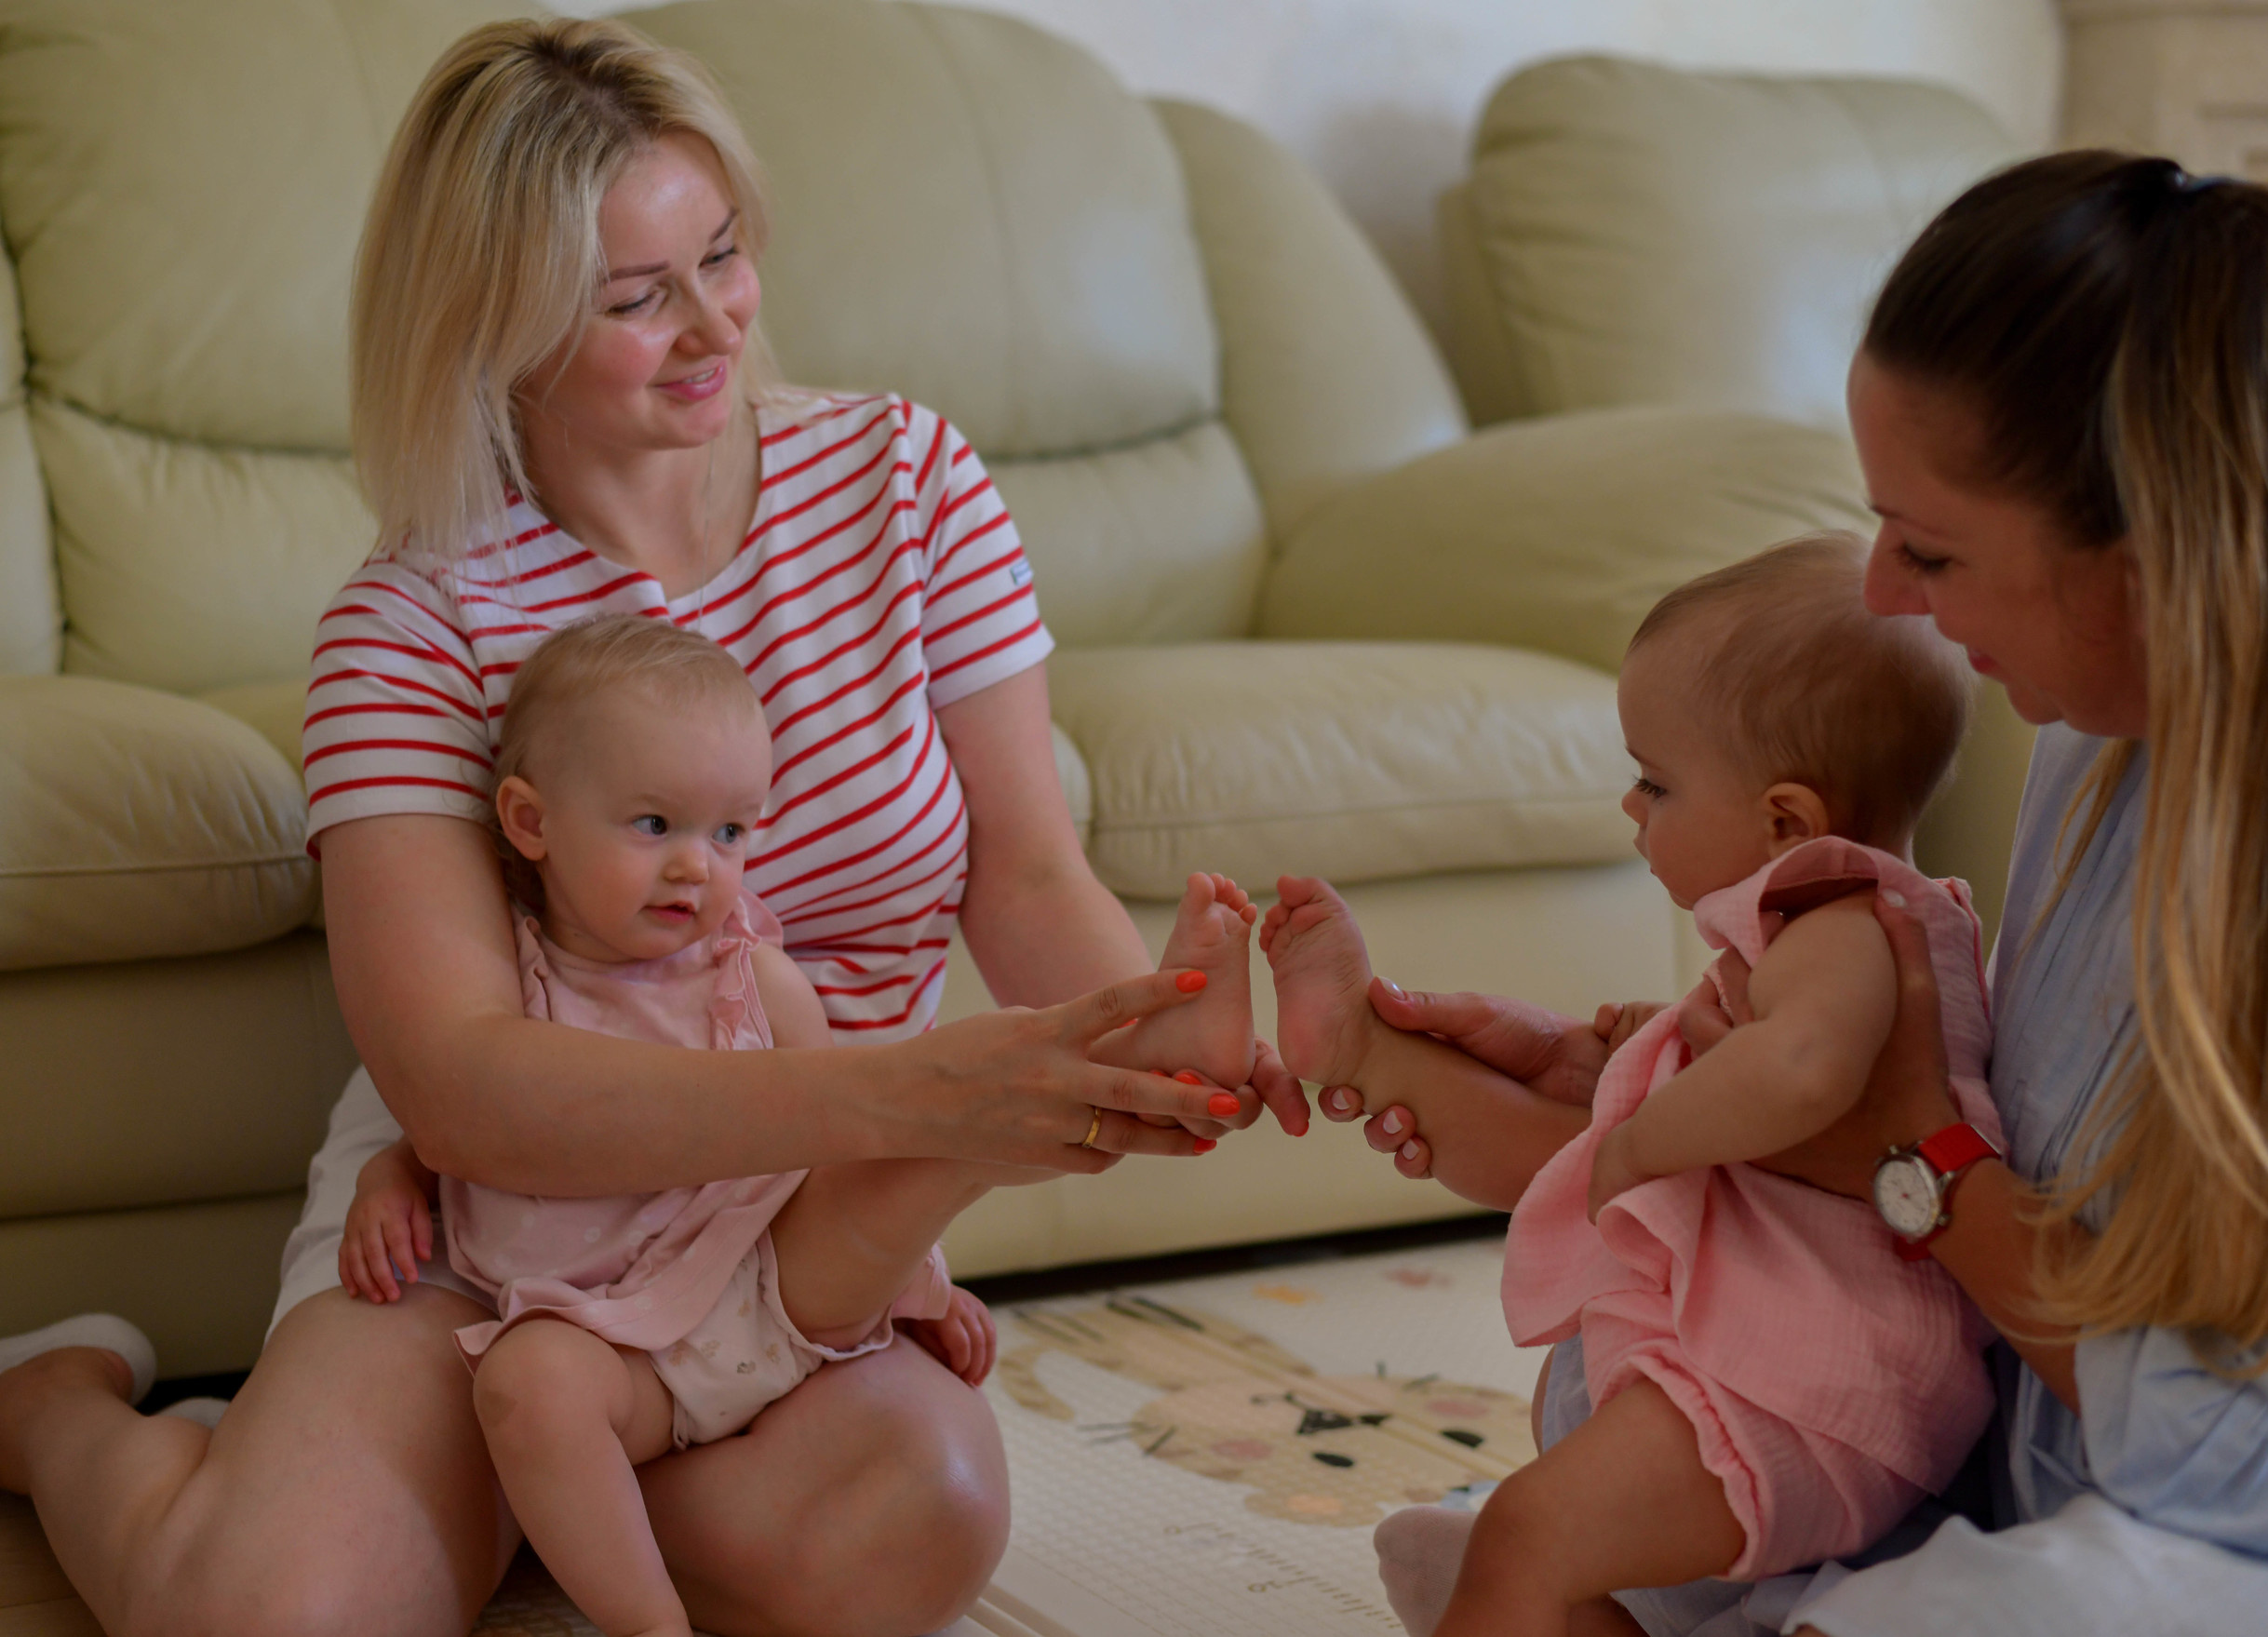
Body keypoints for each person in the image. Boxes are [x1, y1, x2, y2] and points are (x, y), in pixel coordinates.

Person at [0, 19, 1300, 1637]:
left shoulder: (908, 482)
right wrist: (902, 1089)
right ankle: (61, 1407)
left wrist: (1152, 1038)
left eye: (725, 255)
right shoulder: (413, 621)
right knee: (265, 1615)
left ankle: (525, 1487)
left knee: (916, 1531)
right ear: (497, 325)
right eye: (633, 298)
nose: (713, 329)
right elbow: (464, 1083)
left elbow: (1027, 868)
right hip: (498, 1222)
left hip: (793, 1223)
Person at [1332, 151, 2268, 1636]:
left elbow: (2234, 1463)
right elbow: (2027, 1128)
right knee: (1606, 1440)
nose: (1887, 593)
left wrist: (1912, 1159)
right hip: (2051, 1445)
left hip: (2260, 1537)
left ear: (2158, 561)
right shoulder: (2102, 741)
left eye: (1935, 547)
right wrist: (1676, 1086)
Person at [330, 613, 1258, 1637]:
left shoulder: (749, 978)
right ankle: (648, 1623)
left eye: (730, 832)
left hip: (765, 1294)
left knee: (929, 1148)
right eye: (654, 826)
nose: (699, 867)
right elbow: (466, 1108)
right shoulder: (512, 983)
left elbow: (839, 1142)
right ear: (529, 821)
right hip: (612, 1351)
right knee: (525, 1388)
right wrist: (392, 1178)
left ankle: (1149, 1034)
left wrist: (915, 1288)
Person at [1267, 535, 2004, 1636]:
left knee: (1526, 1534)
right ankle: (1372, 1050)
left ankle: (1503, 1585)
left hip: (1816, 1388)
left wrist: (1641, 1139)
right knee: (1582, 1130)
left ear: (1785, 823)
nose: (1630, 806)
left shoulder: (1851, 927)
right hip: (1787, 1354)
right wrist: (1633, 1094)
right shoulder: (1814, 931)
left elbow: (1798, 1073)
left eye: (1656, 782)